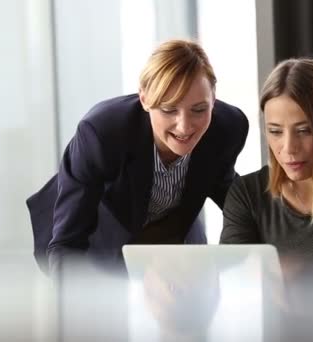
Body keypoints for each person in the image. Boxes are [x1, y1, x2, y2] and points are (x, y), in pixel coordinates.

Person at [26, 39, 249, 277]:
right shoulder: (103, 133)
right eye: (168, 109)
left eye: (199, 110)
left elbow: (232, 196)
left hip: (173, 233)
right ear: (144, 98)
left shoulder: (228, 128)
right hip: (102, 235)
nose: (184, 127)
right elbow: (68, 242)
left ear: (214, 97)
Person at [220, 58, 313, 341]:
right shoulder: (247, 194)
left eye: (304, 130)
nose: (288, 148)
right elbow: (236, 283)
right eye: (275, 131)